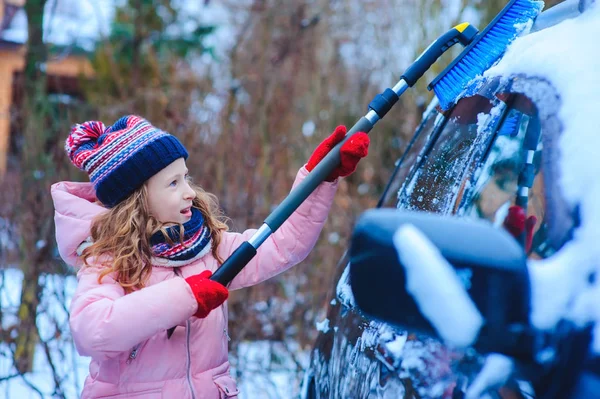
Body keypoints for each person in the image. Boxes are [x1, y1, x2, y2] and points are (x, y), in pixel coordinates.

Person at [51, 115, 369, 398]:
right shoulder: (109, 260)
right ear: (136, 199)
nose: (189, 191)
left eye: (185, 177)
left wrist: (320, 180)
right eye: (173, 183)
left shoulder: (206, 246)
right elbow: (91, 330)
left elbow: (283, 245)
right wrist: (186, 296)